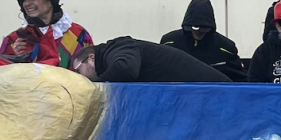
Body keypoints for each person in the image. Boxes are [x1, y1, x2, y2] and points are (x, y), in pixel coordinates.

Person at [69, 38, 232, 84]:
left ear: (91, 58)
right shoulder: (114, 53)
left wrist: (97, 86)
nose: (78, 75)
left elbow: (126, 68)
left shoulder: (119, 47)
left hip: (218, 89)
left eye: (77, 70)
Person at [159, 0, 245, 82]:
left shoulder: (226, 47)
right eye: (194, 28)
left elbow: (239, 79)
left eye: (203, 29)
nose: (198, 32)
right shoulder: (169, 43)